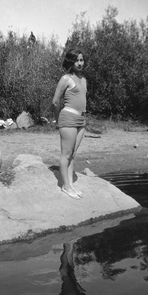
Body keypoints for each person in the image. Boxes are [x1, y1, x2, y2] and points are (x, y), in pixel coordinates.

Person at [52, 49, 87, 199]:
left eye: (81, 60)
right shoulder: (66, 78)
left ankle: (71, 184)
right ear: (71, 62)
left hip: (81, 120)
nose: (79, 63)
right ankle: (65, 186)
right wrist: (57, 119)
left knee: (73, 154)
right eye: (76, 60)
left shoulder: (84, 80)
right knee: (66, 154)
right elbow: (55, 101)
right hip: (68, 118)